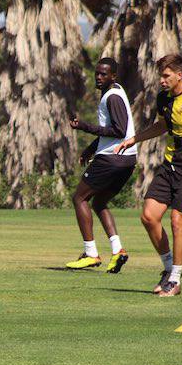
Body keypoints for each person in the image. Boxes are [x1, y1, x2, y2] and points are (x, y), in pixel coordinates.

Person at [115, 54, 182, 296]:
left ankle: (175, 279)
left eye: (166, 76)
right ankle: (168, 269)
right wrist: (133, 140)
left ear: (179, 75)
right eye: (160, 76)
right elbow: (161, 126)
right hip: (170, 163)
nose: (161, 80)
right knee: (149, 217)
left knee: (177, 220)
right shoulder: (163, 98)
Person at [65, 57, 136, 273]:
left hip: (111, 159)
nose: (98, 77)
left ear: (113, 76)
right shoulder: (115, 91)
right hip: (127, 159)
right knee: (99, 202)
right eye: (97, 73)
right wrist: (90, 149)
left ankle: (91, 254)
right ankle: (118, 250)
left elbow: (119, 131)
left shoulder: (112, 97)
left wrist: (85, 126)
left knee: (79, 198)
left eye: (104, 74)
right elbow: (112, 131)